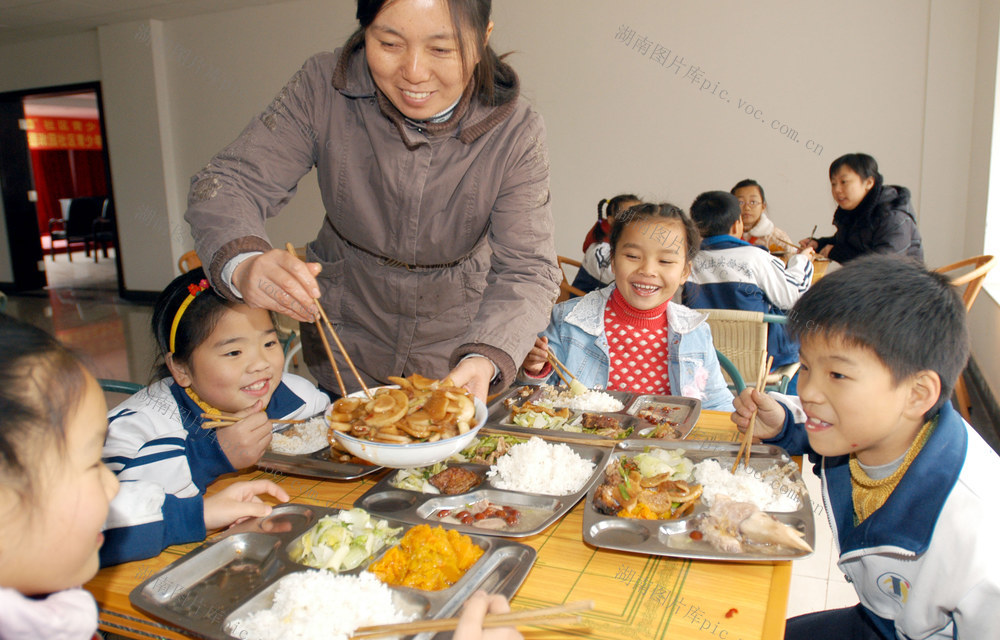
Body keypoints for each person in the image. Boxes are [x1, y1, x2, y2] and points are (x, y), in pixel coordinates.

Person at [183, 0, 561, 402]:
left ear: (483, 36)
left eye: (441, 49)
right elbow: (228, 182)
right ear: (365, 31)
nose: (414, 72)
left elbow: (528, 269)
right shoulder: (322, 85)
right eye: (390, 43)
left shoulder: (516, 129)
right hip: (347, 328)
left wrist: (486, 356)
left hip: (455, 341)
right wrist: (244, 264)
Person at [730, 255, 1000, 640]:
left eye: (837, 374)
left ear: (918, 393)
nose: (807, 391)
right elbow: (814, 427)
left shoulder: (978, 538)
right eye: (806, 367)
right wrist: (785, 425)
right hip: (877, 619)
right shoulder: (875, 432)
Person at [99, 268, 328, 566]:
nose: (260, 364)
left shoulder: (296, 396)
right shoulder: (137, 426)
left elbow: (324, 425)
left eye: (269, 344)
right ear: (180, 368)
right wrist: (211, 456)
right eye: (234, 353)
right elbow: (110, 509)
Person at [521, 203, 734, 411]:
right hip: (584, 442)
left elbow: (716, 404)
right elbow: (531, 398)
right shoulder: (568, 319)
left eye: (666, 261)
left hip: (664, 444)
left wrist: (742, 414)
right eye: (632, 256)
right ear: (613, 261)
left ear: (685, 272)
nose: (648, 270)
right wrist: (534, 370)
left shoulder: (694, 331)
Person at [683, 191, 814, 370]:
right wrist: (802, 260)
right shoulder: (755, 257)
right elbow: (792, 295)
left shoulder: (685, 262)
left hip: (705, 362)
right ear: (737, 225)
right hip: (762, 363)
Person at [800, 153, 923, 264]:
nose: (837, 190)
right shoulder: (855, 210)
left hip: (901, 286)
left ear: (869, 183)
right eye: (833, 183)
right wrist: (818, 244)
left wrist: (837, 253)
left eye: (844, 182)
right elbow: (846, 243)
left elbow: (884, 265)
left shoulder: (893, 216)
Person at [572, 194, 642, 294]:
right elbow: (619, 275)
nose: (636, 222)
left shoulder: (633, 244)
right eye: (628, 216)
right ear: (612, 221)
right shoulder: (599, 249)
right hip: (587, 304)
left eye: (641, 216)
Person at [730, 178, 794, 251]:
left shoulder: (777, 238)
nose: (747, 208)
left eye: (753, 202)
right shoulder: (724, 235)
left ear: (763, 206)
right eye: (740, 203)